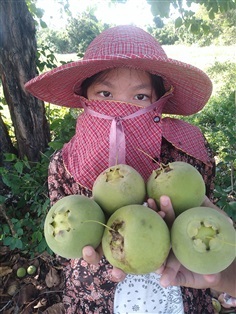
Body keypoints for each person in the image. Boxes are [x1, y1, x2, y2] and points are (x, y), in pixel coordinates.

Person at [25, 25, 236, 313]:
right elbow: (66, 242)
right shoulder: (65, 164)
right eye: (105, 93)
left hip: (180, 292)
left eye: (140, 97)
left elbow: (202, 215)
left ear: (159, 101)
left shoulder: (186, 155)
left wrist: (225, 273)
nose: (121, 107)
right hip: (96, 298)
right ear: (84, 97)